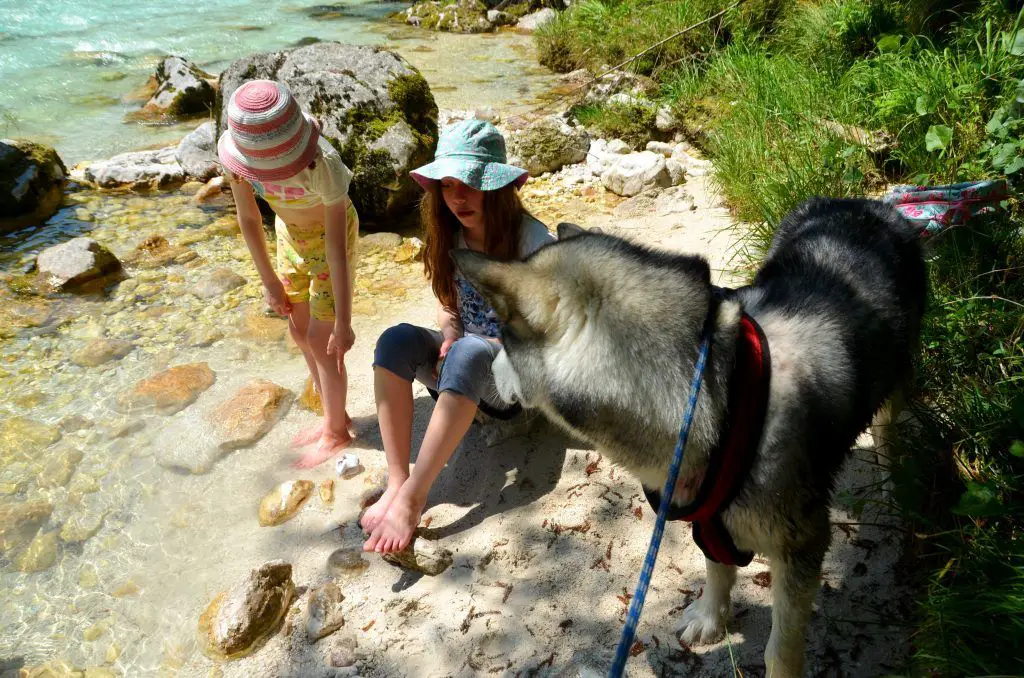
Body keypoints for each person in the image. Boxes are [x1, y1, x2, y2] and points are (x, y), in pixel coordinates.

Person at [361, 119, 555, 553]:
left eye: (469, 183)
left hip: (515, 389)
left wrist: (474, 348)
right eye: (447, 185)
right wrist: (449, 335)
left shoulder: (533, 241)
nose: (457, 197)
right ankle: (398, 481)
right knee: (395, 340)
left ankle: (414, 498)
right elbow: (452, 307)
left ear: (497, 187)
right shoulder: (451, 236)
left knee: (469, 351)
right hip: (464, 377)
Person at [219, 79, 359, 468]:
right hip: (289, 236)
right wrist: (268, 284)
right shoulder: (240, 162)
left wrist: (343, 322)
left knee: (324, 339)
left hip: (333, 239)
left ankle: (336, 432)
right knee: (298, 330)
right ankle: (335, 413)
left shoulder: (323, 165)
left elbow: (336, 252)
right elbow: (248, 219)